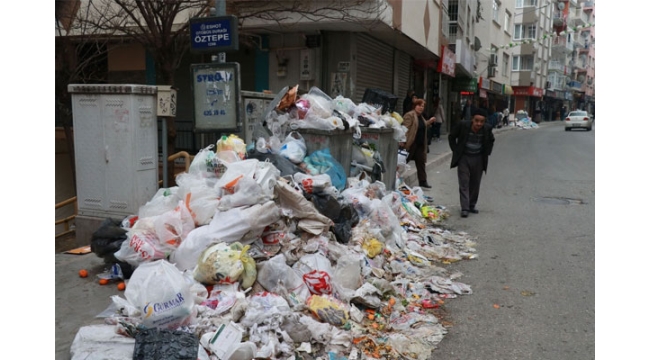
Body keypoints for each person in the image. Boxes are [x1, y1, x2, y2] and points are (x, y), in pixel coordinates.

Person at [448, 107, 495, 218]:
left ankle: (471, 205)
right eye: (476, 121)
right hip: (464, 157)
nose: (479, 124)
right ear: (472, 119)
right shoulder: (463, 125)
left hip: (478, 158)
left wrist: (487, 152)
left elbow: (491, 140)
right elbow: (451, 137)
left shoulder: (487, 129)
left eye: (481, 121)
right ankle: (465, 208)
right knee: (464, 182)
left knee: (475, 183)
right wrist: (456, 150)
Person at [401, 98, 436, 189]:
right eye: (419, 105)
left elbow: (421, 126)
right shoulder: (410, 115)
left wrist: (429, 122)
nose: (421, 107)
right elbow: (405, 129)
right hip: (411, 143)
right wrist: (402, 141)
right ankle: (395, 177)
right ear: (414, 106)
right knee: (403, 161)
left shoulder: (421, 116)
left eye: (423, 106)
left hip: (420, 144)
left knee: (421, 163)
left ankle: (423, 181)